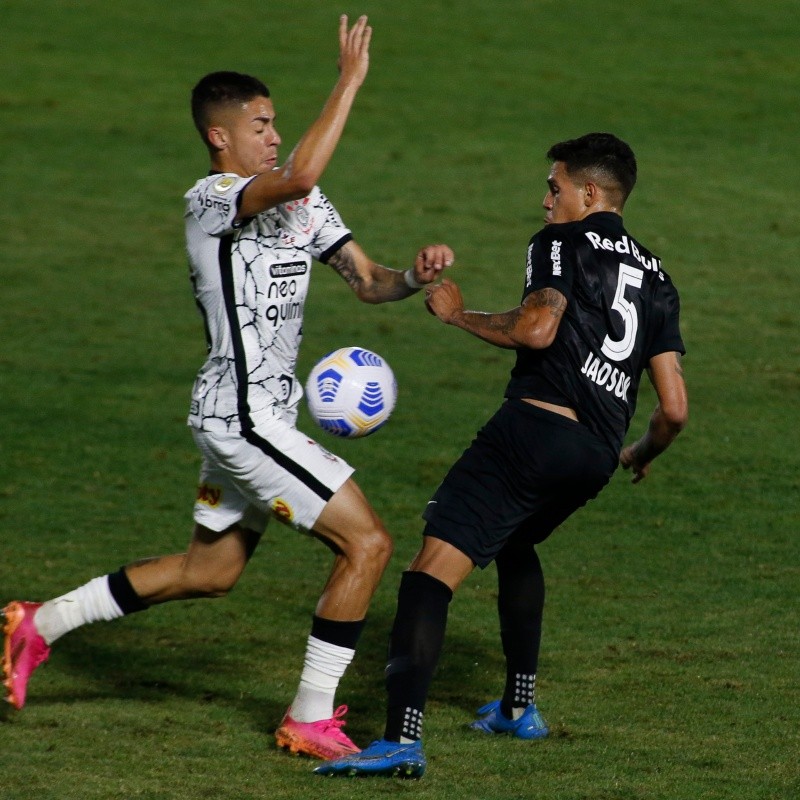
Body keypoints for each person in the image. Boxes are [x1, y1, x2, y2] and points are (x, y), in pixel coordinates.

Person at [1, 15, 454, 762]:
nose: (274, 137)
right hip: (244, 417)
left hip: (255, 414)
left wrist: (414, 278)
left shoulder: (304, 208)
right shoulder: (211, 198)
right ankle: (308, 718)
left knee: (208, 571)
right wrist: (348, 81)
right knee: (368, 545)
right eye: (261, 125)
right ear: (221, 137)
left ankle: (35, 625)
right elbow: (301, 172)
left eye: (276, 124)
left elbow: (369, 283)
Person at [315, 132, 688, 778]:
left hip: (533, 435)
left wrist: (458, 315)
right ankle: (519, 708)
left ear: (589, 193)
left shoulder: (559, 244)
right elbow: (675, 408)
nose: (546, 200)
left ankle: (401, 737)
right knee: (516, 545)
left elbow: (538, 328)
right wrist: (637, 452)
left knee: (430, 570)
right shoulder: (658, 278)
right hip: (594, 457)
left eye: (555, 187)